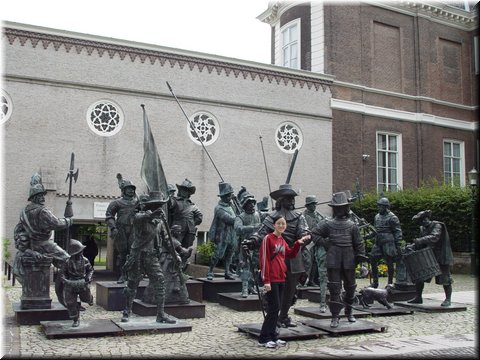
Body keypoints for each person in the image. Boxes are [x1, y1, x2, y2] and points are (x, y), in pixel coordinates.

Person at [243, 183, 310, 328]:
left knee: (290, 291)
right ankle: (273, 318)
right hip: (276, 258)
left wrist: (304, 236)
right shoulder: (271, 217)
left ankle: (284, 316)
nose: (291, 201)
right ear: (281, 200)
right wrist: (252, 241)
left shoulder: (299, 217)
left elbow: (304, 232)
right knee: (275, 290)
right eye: (288, 198)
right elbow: (261, 233)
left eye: (292, 198)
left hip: (294, 258)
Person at [311, 192, 367, 328]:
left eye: (342, 207)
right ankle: (335, 316)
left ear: (346, 208)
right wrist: (325, 243)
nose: (340, 210)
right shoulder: (328, 224)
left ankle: (349, 311)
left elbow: (359, 244)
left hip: (349, 259)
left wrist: (362, 261)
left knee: (350, 287)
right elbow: (314, 233)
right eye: (337, 207)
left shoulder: (352, 225)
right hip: (334, 258)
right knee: (335, 287)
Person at [121, 193, 175, 324]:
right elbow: (138, 219)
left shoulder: (160, 223)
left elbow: (167, 240)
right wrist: (151, 215)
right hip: (138, 255)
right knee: (132, 284)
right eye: (157, 206)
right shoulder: (140, 217)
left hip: (152, 256)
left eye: (161, 206)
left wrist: (176, 254)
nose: (160, 208)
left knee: (160, 282)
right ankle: (127, 311)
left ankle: (160, 314)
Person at [257, 214, 309, 348]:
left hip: (281, 278)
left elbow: (290, 254)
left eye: (283, 224)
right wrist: (266, 281)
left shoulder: (282, 240)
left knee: (277, 308)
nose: (281, 226)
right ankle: (264, 338)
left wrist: (298, 243)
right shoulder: (268, 239)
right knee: (274, 309)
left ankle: (273, 336)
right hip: (272, 279)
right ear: (274, 225)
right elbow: (264, 260)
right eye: (279, 223)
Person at [13, 173, 71, 284]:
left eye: (43, 195)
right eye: (40, 195)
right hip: (44, 245)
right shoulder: (42, 211)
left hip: (31, 245)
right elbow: (57, 224)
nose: (43, 198)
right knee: (67, 260)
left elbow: (18, 229)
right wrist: (68, 221)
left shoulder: (23, 212)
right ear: (35, 197)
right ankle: (64, 283)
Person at [407, 210, 454, 306]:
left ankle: (448, 299)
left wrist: (419, 241)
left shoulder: (437, 225)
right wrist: (412, 246)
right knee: (420, 276)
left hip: (441, 256)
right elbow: (421, 242)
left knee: (445, 278)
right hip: (428, 256)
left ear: (425, 219)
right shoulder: (422, 228)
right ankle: (418, 297)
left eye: (420, 221)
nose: (420, 224)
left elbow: (434, 237)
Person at [105, 173, 139, 283]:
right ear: (123, 190)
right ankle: (123, 275)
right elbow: (109, 216)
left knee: (133, 252)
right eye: (128, 189)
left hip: (134, 229)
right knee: (123, 254)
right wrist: (113, 228)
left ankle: (133, 275)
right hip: (121, 229)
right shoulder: (116, 202)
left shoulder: (137, 203)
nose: (131, 191)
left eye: (132, 189)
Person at [58, 239, 94, 327]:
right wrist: (65, 281)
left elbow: (90, 270)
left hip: (82, 282)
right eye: (79, 251)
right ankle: (75, 319)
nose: (81, 253)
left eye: (81, 251)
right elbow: (62, 273)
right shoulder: (67, 262)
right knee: (70, 303)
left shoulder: (85, 260)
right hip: (71, 283)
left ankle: (90, 299)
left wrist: (88, 278)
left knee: (86, 298)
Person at [234, 187, 262, 297]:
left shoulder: (258, 214)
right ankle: (244, 288)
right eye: (249, 203)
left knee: (254, 267)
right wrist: (253, 227)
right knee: (245, 266)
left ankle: (251, 286)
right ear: (245, 205)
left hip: (257, 244)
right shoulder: (240, 217)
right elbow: (238, 228)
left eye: (252, 203)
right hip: (245, 244)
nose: (251, 205)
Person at [369, 197, 403, 288]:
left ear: (386, 207)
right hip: (378, 241)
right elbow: (375, 230)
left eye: (380, 206)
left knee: (389, 262)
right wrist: (367, 236)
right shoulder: (377, 216)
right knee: (372, 259)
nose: (379, 208)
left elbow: (397, 231)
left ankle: (390, 283)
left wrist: (398, 244)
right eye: (378, 206)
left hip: (388, 241)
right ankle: (375, 282)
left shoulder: (392, 217)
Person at [207, 182, 238, 280]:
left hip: (232, 234)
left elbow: (239, 213)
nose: (229, 197)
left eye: (230, 195)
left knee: (230, 254)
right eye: (228, 195)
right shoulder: (219, 208)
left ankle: (227, 272)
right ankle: (210, 271)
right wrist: (240, 219)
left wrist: (237, 202)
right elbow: (229, 219)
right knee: (217, 254)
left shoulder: (232, 206)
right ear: (223, 197)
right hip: (222, 235)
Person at [303, 195, 328, 312]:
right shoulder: (304, 216)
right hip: (307, 242)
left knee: (314, 263)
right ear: (308, 205)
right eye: (312, 204)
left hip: (316, 241)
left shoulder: (318, 215)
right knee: (307, 261)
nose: (314, 206)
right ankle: (304, 280)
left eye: (315, 204)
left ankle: (312, 280)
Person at [168, 179, 203, 249]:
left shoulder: (192, 205)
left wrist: (192, 223)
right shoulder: (174, 200)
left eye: (187, 190)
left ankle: (184, 260)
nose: (184, 192)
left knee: (186, 249)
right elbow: (168, 206)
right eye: (183, 189)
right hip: (177, 229)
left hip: (190, 230)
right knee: (175, 247)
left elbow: (199, 217)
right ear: (180, 191)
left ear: (189, 193)